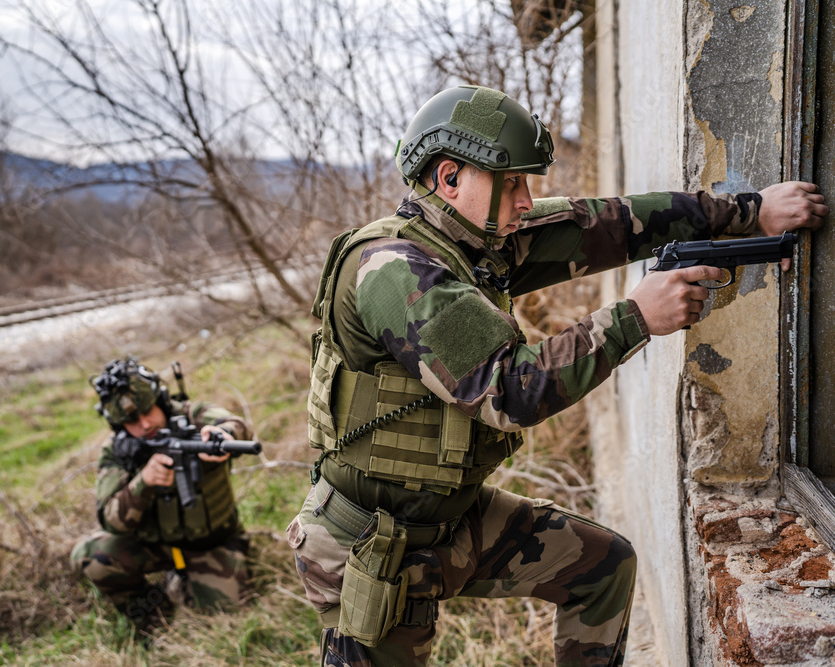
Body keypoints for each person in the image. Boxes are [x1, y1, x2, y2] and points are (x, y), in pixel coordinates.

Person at [287, 85, 828, 666]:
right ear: (449, 178)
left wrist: (749, 212)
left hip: (449, 517)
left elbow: (609, 225)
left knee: (601, 567)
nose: (526, 200)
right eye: (513, 182)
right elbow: (509, 392)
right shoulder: (396, 268)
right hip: (371, 544)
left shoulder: (474, 242)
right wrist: (634, 318)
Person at [71, 357, 254, 631]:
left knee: (224, 616)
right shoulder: (118, 450)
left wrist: (221, 435)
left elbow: (235, 424)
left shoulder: (193, 414)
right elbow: (111, 520)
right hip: (158, 545)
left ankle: (190, 579)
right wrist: (143, 483)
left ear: (161, 400)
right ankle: (152, 615)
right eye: (131, 420)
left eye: (148, 411)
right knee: (91, 558)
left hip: (213, 541)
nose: (144, 424)